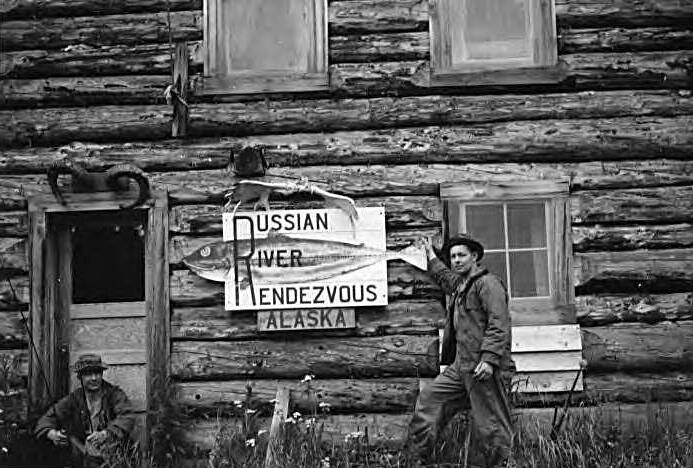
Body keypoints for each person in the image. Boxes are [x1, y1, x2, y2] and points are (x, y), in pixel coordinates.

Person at [408, 234, 514, 468]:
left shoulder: (488, 284)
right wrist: (431, 256)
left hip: (484, 367)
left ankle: (501, 464)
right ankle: (417, 459)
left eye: (461, 255)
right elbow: (445, 277)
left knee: (490, 424)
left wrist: (489, 359)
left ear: (474, 257)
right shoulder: (461, 286)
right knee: (429, 399)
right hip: (461, 366)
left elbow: (499, 323)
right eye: (453, 256)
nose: (456, 260)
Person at [35, 353, 136, 468]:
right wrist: (52, 433)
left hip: (113, 455)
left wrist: (107, 433)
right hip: (84, 457)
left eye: (97, 373)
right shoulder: (73, 399)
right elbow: (45, 420)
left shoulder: (114, 394)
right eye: (88, 374)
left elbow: (127, 416)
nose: (94, 378)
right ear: (80, 377)